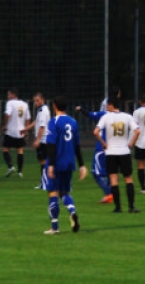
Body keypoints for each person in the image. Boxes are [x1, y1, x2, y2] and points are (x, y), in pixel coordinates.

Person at [42, 96, 87, 235]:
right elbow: (77, 145)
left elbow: (51, 144)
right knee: (65, 192)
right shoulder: (73, 122)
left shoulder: (53, 122)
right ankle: (72, 212)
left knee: (53, 192)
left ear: (54, 106)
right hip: (69, 162)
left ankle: (54, 227)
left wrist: (50, 165)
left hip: (56, 162)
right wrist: (82, 165)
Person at [94, 95, 141, 213]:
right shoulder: (127, 117)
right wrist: (131, 144)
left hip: (111, 152)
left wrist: (103, 143)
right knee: (128, 179)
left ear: (110, 105)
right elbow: (137, 131)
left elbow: (95, 132)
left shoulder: (106, 117)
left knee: (113, 179)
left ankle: (118, 207)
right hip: (124, 151)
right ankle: (131, 207)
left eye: (107, 105)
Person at [75, 85, 121, 204]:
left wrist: (81, 109)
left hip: (102, 147)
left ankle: (108, 193)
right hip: (116, 148)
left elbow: (90, 115)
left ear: (110, 105)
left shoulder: (104, 115)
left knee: (95, 172)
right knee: (112, 173)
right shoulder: (122, 117)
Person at [1, 88, 33, 178]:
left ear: (13, 95)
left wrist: (5, 125)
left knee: (5, 149)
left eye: (8, 94)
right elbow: (28, 118)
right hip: (20, 131)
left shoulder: (10, 103)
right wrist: (26, 130)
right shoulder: (24, 104)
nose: (7, 96)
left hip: (10, 131)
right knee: (20, 150)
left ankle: (10, 166)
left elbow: (7, 114)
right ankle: (20, 172)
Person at [32, 92, 51, 189]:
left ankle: (45, 183)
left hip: (43, 140)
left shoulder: (43, 111)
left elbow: (42, 127)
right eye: (34, 101)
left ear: (42, 100)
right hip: (44, 140)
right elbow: (37, 122)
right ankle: (45, 182)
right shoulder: (42, 110)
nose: (35, 103)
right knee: (43, 161)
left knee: (43, 162)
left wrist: (38, 140)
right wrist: (27, 128)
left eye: (37, 100)